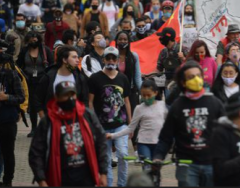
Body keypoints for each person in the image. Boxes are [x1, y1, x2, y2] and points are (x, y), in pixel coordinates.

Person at [153, 61, 225, 187]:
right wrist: (158, 156)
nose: (196, 79)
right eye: (191, 77)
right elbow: (166, 137)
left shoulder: (215, 103)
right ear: (183, 82)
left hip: (211, 163)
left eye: (198, 75)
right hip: (186, 164)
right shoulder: (177, 106)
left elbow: (227, 133)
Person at [28, 81, 107, 187]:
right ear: (56, 97)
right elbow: (36, 153)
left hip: (86, 178)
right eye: (65, 95)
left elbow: (100, 142)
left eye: (72, 94)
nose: (70, 98)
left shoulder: (86, 115)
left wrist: (103, 172)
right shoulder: (48, 121)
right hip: (60, 179)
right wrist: (41, 179)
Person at [88, 46, 132, 187]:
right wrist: (93, 124)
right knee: (105, 160)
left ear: (118, 60)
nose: (111, 60)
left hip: (121, 126)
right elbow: (90, 102)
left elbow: (127, 101)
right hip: (102, 126)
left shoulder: (123, 78)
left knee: (123, 156)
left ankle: (122, 184)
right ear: (104, 59)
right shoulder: (95, 78)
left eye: (114, 58)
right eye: (108, 58)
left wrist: (130, 124)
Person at [107, 80, 167, 169]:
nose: (146, 98)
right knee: (147, 169)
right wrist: (112, 135)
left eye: (149, 95)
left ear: (155, 93)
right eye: (143, 95)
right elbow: (130, 128)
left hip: (158, 144)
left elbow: (170, 126)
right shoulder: (139, 108)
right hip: (143, 144)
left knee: (156, 170)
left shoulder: (163, 106)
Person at [17, 31, 54, 137]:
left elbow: (51, 64)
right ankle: (34, 128)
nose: (34, 40)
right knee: (32, 106)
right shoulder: (24, 51)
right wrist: (24, 76)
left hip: (43, 80)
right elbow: (19, 66)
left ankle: (47, 127)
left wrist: (47, 76)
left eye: (36, 38)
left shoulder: (45, 50)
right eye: (31, 39)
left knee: (45, 104)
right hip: (29, 81)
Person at [35, 45, 89, 116]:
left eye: (77, 57)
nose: (77, 60)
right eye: (74, 57)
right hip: (53, 119)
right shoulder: (49, 77)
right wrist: (44, 118)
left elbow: (84, 100)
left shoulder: (80, 77)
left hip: (73, 120)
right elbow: (38, 99)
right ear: (64, 60)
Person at [0, 49, 25, 187]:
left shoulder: (11, 76)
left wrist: (7, 97)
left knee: (8, 152)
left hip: (7, 121)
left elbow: (20, 97)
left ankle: (7, 180)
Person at [155, 27, 186, 97]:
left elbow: (191, 65)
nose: (160, 39)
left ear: (168, 38)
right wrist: (148, 75)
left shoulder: (181, 49)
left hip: (181, 85)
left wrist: (183, 58)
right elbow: (158, 69)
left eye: (162, 37)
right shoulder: (163, 52)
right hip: (168, 85)